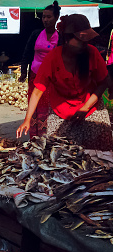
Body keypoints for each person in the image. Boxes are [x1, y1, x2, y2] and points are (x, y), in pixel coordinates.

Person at [17, 14, 113, 151]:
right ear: (67, 39)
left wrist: (86, 106)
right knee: (60, 154)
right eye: (81, 40)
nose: (85, 44)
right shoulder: (53, 58)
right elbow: (38, 90)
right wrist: (27, 119)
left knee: (100, 155)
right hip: (61, 113)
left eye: (87, 40)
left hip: (92, 108)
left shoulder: (92, 53)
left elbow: (103, 82)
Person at [19, 2, 61, 137]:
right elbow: (26, 53)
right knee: (34, 105)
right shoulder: (36, 34)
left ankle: (48, 136)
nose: (46, 20)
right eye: (44, 17)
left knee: (48, 107)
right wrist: (24, 72)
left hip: (51, 79)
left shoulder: (60, 37)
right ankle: (34, 136)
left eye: (49, 17)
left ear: (56, 18)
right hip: (35, 76)